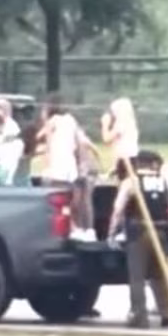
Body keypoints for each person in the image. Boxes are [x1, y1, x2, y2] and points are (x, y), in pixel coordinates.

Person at [108, 151, 168, 328]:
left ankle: (139, 315)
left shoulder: (132, 182)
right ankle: (166, 312)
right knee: (159, 274)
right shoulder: (162, 182)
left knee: (137, 275)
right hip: (161, 230)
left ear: (137, 163)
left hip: (139, 231)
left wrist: (112, 232)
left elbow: (118, 208)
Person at [37, 94, 102, 240]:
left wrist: (46, 165)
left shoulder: (53, 122)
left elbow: (44, 142)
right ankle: (84, 229)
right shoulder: (70, 120)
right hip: (70, 166)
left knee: (59, 201)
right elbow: (81, 142)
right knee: (76, 199)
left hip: (58, 167)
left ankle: (72, 229)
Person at [101, 97, 140, 176]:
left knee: (125, 182)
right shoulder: (130, 124)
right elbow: (110, 143)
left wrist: (104, 124)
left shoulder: (121, 124)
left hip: (125, 159)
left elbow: (106, 139)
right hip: (126, 158)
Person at [0, 98, 25, 185]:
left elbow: (2, 145)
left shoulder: (10, 127)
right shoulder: (4, 125)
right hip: (3, 165)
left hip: (4, 165)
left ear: (1, 110)